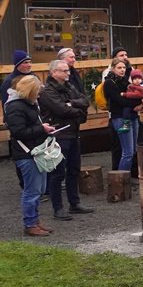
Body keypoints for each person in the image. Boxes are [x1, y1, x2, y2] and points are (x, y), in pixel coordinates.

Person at [39, 58, 93, 220]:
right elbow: (61, 110)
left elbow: (85, 101)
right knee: (58, 173)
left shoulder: (69, 87)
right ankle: (58, 208)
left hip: (73, 133)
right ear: (54, 72)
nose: (68, 73)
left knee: (74, 170)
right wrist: (76, 108)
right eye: (64, 70)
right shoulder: (47, 91)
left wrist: (72, 104)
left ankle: (74, 203)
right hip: (59, 135)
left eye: (68, 70)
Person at [5, 75, 59, 236]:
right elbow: (18, 132)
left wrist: (43, 128)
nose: (39, 95)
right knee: (32, 191)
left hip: (35, 151)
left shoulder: (30, 104)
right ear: (29, 91)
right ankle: (30, 223)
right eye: (37, 91)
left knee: (38, 189)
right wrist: (41, 129)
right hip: (26, 154)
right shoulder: (16, 107)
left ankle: (35, 221)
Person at [103, 59, 141, 173]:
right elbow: (120, 101)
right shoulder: (109, 83)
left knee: (133, 150)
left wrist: (139, 100)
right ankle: (120, 180)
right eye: (119, 68)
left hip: (132, 116)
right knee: (127, 152)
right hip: (120, 117)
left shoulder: (125, 80)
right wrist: (136, 103)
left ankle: (126, 177)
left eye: (124, 68)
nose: (122, 70)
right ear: (113, 68)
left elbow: (136, 94)